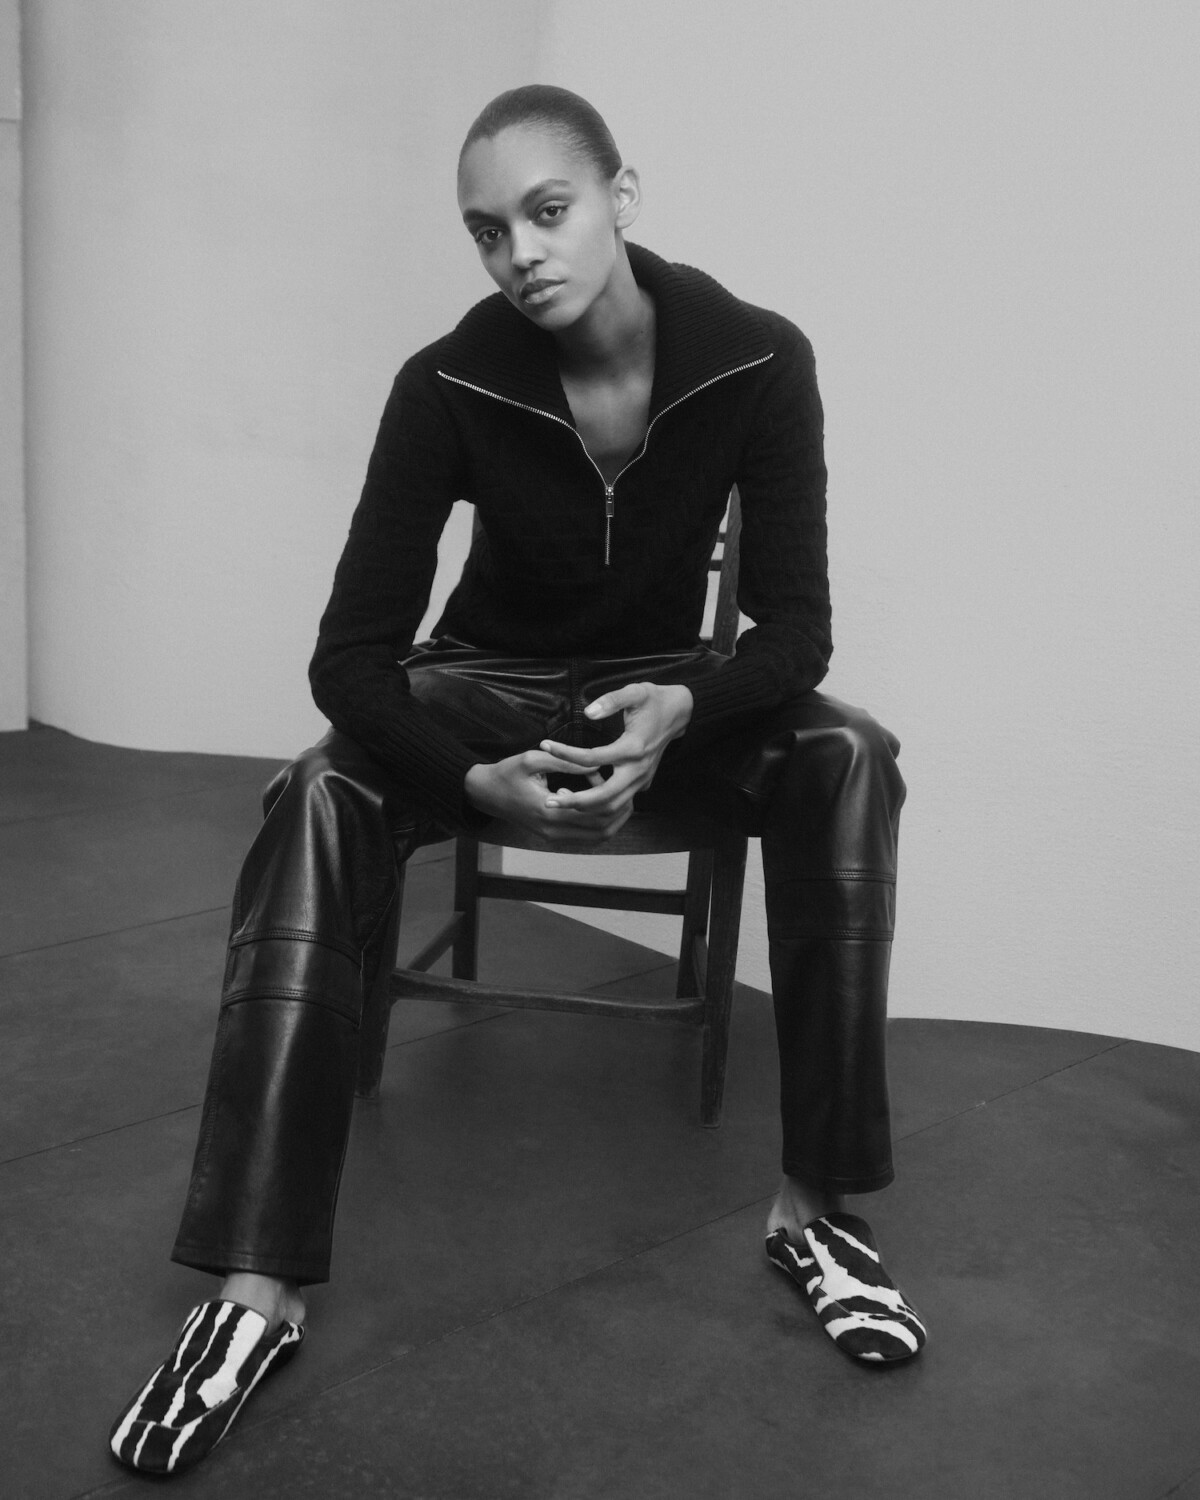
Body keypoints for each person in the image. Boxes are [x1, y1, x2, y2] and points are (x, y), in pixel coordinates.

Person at [109, 84, 925, 1477]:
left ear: (622, 195)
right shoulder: (448, 381)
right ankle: (256, 1286)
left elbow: (796, 632)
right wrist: (475, 777)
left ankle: (819, 1213)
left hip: (665, 690)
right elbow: (352, 656)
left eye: (548, 211)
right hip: (484, 687)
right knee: (316, 790)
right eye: (488, 231)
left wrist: (686, 703)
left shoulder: (758, 359)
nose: (520, 254)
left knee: (851, 753)